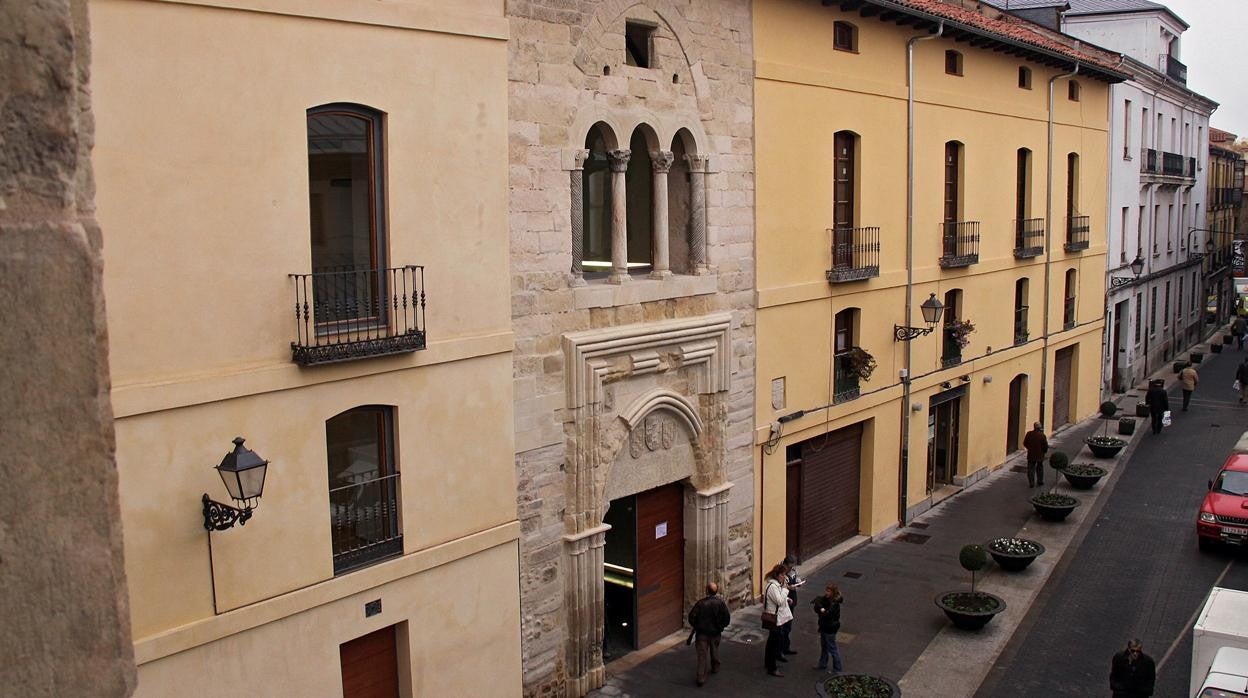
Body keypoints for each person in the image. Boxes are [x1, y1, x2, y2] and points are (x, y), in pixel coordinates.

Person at [688, 581, 731, 687]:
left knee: (702, 656)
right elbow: (727, 618)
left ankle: (701, 677)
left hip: (702, 633)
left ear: (706, 590)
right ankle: (715, 666)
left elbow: (691, 617)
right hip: (715, 633)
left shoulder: (701, 603)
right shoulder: (720, 603)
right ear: (716, 591)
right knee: (714, 650)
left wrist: (697, 625)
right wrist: (720, 627)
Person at [762, 564, 793, 677]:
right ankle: (772, 667)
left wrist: (787, 598)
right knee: (773, 643)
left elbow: (779, 598)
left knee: (772, 641)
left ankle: (769, 663)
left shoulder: (776, 585)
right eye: (783, 575)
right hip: (774, 618)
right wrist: (785, 589)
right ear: (778, 575)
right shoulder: (773, 586)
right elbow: (779, 600)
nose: (784, 577)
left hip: (777, 617)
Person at [811, 583, 844, 673]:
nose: (826, 592)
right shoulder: (826, 599)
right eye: (826, 590)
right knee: (824, 646)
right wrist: (821, 609)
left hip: (830, 628)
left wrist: (821, 610)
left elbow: (827, 614)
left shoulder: (834, 604)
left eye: (828, 591)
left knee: (832, 648)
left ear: (833, 593)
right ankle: (822, 664)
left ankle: (837, 669)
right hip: (824, 626)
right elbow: (817, 606)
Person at [780, 555, 802, 657]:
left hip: (792, 600)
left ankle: (786, 647)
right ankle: (780, 650)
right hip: (784, 602)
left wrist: (798, 582)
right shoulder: (781, 572)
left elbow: (796, 578)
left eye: (792, 566)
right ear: (785, 564)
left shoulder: (793, 570)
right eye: (789, 566)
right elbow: (780, 586)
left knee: (788, 626)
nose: (791, 568)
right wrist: (789, 587)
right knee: (782, 627)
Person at [1022, 422, 1049, 488]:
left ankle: (1031, 482)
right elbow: (1045, 446)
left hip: (1031, 454)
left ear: (1034, 427)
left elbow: (1025, 443)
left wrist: (1029, 448)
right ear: (1040, 428)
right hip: (1040, 454)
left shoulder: (1029, 434)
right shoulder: (1042, 435)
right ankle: (1040, 481)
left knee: (1031, 468)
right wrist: (1044, 452)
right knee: (1040, 467)